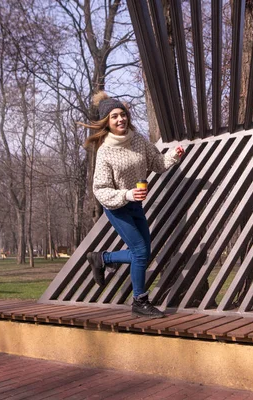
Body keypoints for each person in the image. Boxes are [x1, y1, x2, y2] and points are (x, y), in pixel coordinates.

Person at [81, 91, 184, 319]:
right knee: (139, 252)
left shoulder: (137, 140)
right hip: (118, 206)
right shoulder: (105, 151)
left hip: (136, 203)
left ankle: (102, 259)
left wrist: (174, 156)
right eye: (115, 117)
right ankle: (139, 301)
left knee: (143, 254)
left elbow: (157, 163)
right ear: (107, 122)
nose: (121, 120)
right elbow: (100, 190)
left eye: (123, 115)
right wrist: (127, 194)